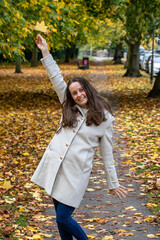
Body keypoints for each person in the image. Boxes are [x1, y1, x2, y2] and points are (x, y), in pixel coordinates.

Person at [31, 34, 127, 240]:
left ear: (88, 90)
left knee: (63, 219)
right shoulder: (69, 106)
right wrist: (45, 52)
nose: (78, 95)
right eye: (74, 93)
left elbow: (107, 153)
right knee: (60, 220)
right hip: (56, 167)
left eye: (81, 90)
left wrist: (113, 183)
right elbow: (56, 76)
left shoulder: (105, 118)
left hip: (75, 175)